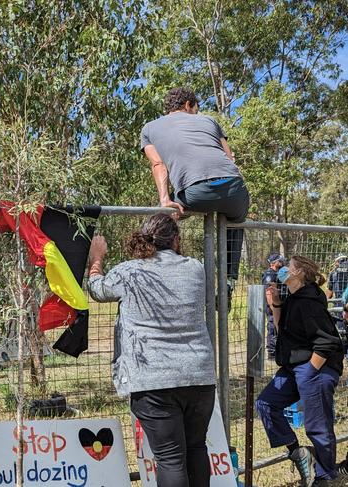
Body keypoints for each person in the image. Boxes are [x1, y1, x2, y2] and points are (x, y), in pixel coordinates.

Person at [87, 214, 216, 487]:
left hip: (153, 380)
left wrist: (96, 259)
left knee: (170, 459)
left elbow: (97, 290)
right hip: (199, 376)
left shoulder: (130, 270)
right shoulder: (196, 268)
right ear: (176, 239)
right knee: (196, 448)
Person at [140, 87, 250, 291]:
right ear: (188, 105)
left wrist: (165, 201)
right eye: (196, 109)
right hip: (235, 190)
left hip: (195, 193)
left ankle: (158, 271)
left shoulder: (149, 128)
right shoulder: (209, 121)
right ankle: (228, 282)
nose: (196, 114)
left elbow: (158, 165)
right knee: (234, 224)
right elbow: (230, 158)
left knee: (161, 221)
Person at [256, 256, 345, 487]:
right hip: (294, 365)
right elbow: (282, 331)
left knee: (317, 425)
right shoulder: (294, 298)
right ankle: (300, 454)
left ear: (299, 274)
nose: (284, 270)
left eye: (290, 267)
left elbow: (327, 342)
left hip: (316, 366)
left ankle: (325, 477)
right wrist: (275, 303)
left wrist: (310, 372)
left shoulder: (309, 302)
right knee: (266, 404)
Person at [262, 253, 287, 360]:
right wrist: (273, 308)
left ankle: (278, 351)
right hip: (273, 307)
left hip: (279, 306)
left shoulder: (279, 274)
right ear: (274, 263)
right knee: (273, 328)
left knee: (278, 328)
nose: (282, 262)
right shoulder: (270, 274)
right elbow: (268, 292)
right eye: (280, 261)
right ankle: (272, 353)